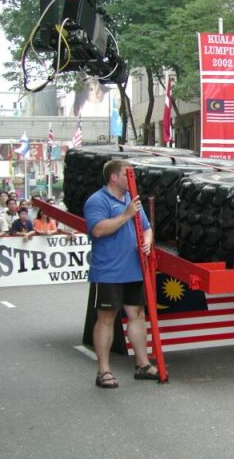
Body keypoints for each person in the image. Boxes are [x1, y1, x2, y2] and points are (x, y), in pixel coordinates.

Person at [84, 159, 155, 389]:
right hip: (108, 272)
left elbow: (146, 227)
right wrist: (125, 214)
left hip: (133, 269)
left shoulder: (131, 199)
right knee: (106, 318)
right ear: (114, 177)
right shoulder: (97, 200)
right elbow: (98, 229)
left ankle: (142, 364)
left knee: (137, 315)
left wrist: (146, 243)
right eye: (127, 175)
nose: (131, 179)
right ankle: (103, 370)